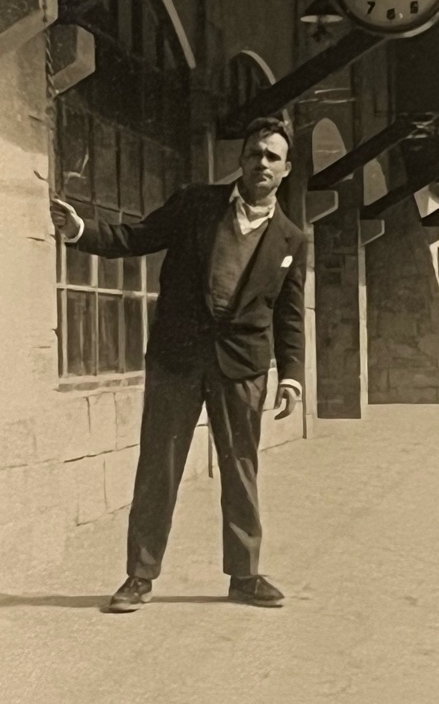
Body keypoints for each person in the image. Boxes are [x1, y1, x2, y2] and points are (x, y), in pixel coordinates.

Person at [50, 116, 306, 612]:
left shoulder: (292, 240)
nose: (262, 163)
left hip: (243, 365)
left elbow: (289, 316)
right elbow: (137, 237)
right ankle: (139, 577)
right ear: (241, 158)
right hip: (178, 357)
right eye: (255, 153)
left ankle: (245, 576)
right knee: (159, 467)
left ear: (286, 169)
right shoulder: (196, 204)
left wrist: (291, 375)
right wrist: (82, 229)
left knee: (242, 470)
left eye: (273, 157)